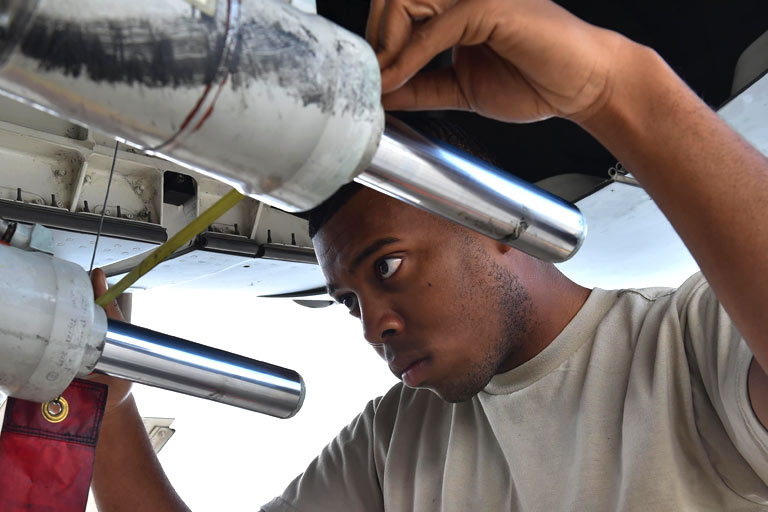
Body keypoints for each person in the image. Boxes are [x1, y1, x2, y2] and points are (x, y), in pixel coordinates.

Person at [89, 0, 768, 510]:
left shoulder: (686, 354)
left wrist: (612, 89)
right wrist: (108, 406)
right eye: (349, 300)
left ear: (499, 222)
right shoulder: (398, 443)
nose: (372, 325)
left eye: (387, 267)